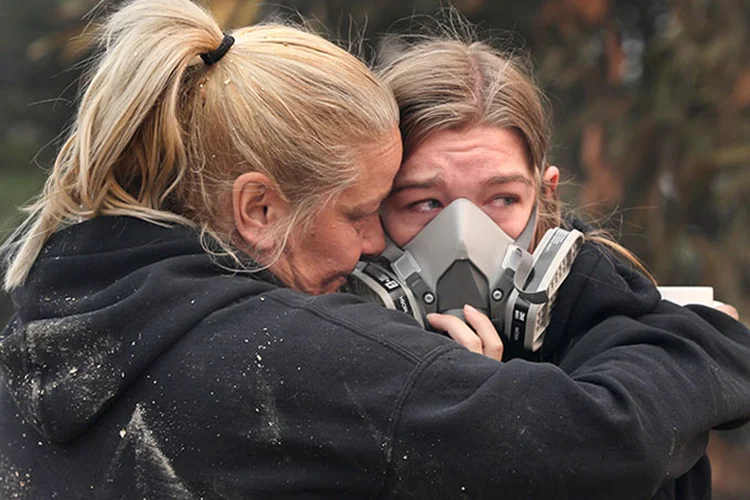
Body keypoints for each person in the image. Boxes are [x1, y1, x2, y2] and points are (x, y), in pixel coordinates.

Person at [1, 1, 750, 498]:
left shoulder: (33, 290)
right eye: (379, 208)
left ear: (545, 193)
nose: (369, 245)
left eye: (503, 200)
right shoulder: (304, 357)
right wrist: (650, 312)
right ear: (258, 208)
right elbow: (605, 443)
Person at [373, 30, 749, 498]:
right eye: (425, 202)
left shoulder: (627, 335)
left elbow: (622, 447)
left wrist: (486, 406)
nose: (463, 237)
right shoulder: (327, 338)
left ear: (545, 196)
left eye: (503, 198)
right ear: (371, 206)